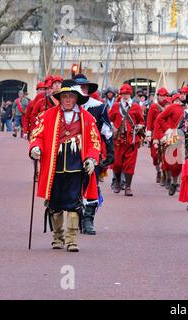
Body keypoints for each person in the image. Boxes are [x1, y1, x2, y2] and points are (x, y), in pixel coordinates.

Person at [29, 79, 101, 252]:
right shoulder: (47, 116)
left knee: (74, 204)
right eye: (64, 96)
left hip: (76, 167)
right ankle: (57, 237)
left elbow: (94, 142)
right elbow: (36, 135)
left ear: (77, 98)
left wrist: (91, 158)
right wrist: (35, 147)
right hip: (54, 166)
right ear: (59, 98)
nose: (68, 100)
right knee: (54, 204)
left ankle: (72, 240)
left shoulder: (87, 118)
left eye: (71, 96)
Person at [74, 74, 115, 234]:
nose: (81, 90)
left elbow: (107, 132)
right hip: (71, 153)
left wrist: (110, 153)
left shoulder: (99, 106)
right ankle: (77, 216)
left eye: (84, 87)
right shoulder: (68, 106)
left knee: (91, 184)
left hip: (93, 151)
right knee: (73, 185)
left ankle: (88, 219)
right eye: (78, 87)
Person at [109, 84, 145, 196]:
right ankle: (118, 182)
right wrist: (112, 127)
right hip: (118, 141)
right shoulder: (115, 106)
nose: (125, 96)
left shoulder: (136, 107)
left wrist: (139, 126)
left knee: (130, 164)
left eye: (127, 93)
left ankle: (128, 187)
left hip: (131, 140)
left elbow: (141, 121)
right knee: (117, 163)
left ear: (130, 94)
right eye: (123, 94)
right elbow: (109, 120)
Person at [145, 87, 169, 184]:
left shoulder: (169, 106)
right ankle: (158, 171)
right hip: (155, 134)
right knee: (154, 156)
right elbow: (149, 120)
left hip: (166, 133)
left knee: (165, 156)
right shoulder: (154, 106)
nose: (162, 98)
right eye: (160, 96)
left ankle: (164, 174)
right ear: (158, 96)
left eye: (164, 96)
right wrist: (149, 133)